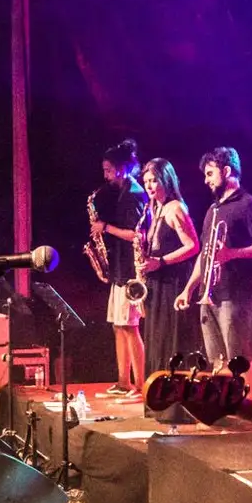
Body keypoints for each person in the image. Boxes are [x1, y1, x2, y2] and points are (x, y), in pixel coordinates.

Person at [176, 146, 252, 369]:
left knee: (238, 358)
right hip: (209, 295)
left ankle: (247, 394)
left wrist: (232, 254)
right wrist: (189, 289)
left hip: (234, 294)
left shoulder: (249, 204)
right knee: (216, 361)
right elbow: (205, 253)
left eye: (210, 173)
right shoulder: (213, 209)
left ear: (227, 171)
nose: (206, 180)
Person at [90, 140, 149, 397]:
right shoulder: (124, 192)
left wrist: (105, 228)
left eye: (108, 170)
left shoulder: (134, 194)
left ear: (122, 168)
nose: (105, 176)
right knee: (118, 325)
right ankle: (123, 381)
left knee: (130, 326)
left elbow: (137, 235)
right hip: (119, 268)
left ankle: (140, 384)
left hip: (129, 271)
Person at [136, 158, 201, 378]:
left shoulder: (175, 209)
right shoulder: (156, 209)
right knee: (156, 340)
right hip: (157, 283)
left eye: (154, 180)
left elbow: (193, 246)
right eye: (146, 181)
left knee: (169, 340)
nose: (149, 186)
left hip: (172, 284)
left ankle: (173, 395)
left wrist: (160, 261)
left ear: (166, 180)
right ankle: (157, 390)